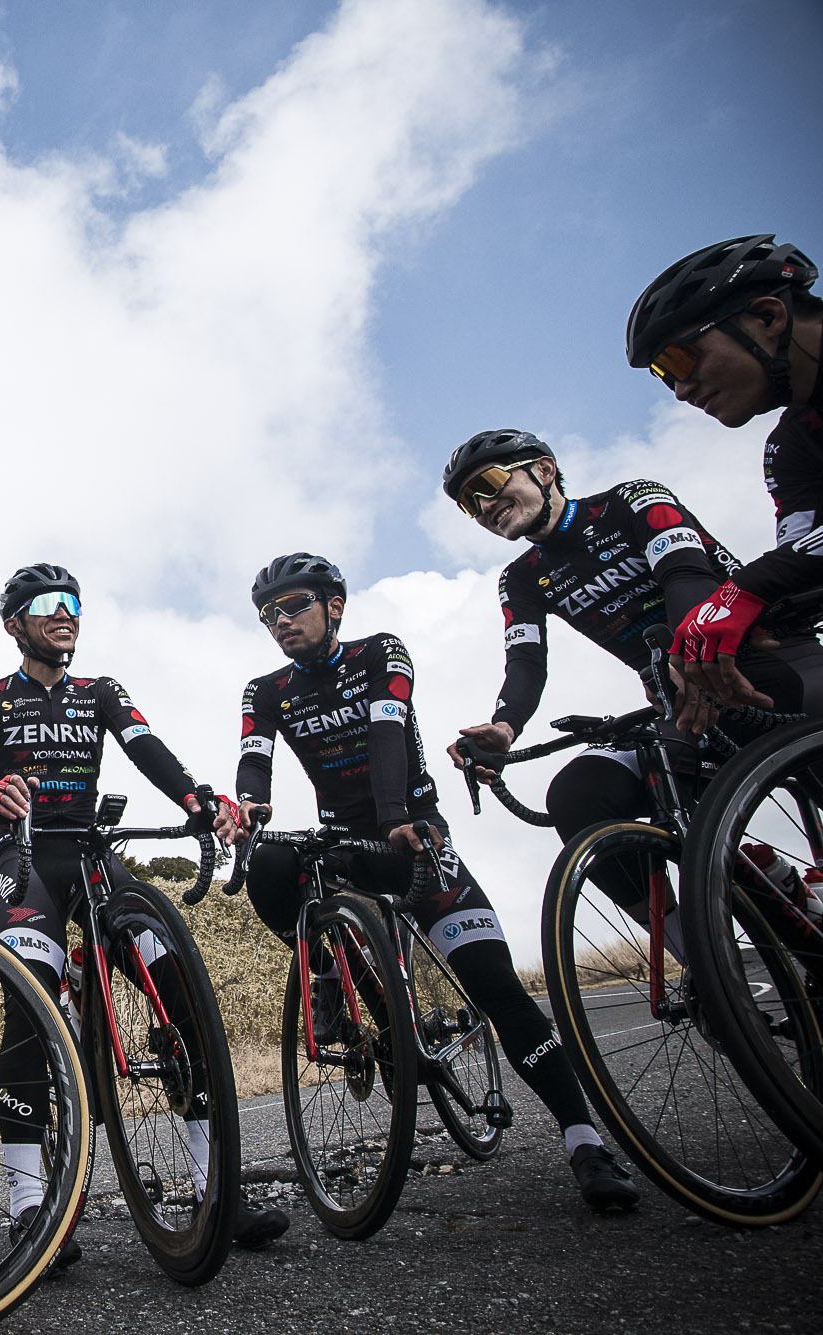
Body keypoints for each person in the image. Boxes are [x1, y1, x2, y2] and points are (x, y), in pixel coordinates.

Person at [214, 552, 640, 1212]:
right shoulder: (266, 688)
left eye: (294, 605)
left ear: (334, 606)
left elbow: (388, 731)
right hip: (343, 843)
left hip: (412, 834)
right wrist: (249, 807)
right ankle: (342, 986)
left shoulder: (381, 652)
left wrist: (396, 822)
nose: (280, 621)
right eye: (268, 614)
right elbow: (254, 755)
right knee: (271, 864)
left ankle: (586, 1142)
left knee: (498, 989)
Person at [0, 563, 289, 1264]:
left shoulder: (100, 691)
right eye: (47, 604)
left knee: (177, 991)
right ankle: (27, 1209)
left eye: (73, 602)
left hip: (97, 859)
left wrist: (198, 801)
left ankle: (211, 1189)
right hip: (29, 865)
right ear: (15, 623)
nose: (65, 613)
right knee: (28, 1010)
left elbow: (146, 747)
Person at [438, 428, 823, 912]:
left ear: (544, 470)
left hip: (774, 656)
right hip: (680, 699)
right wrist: (504, 726)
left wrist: (683, 653)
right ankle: (700, 958)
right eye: (469, 503)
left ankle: (787, 889)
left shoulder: (632, 500)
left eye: (490, 482)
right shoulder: (519, 578)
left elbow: (685, 572)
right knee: (578, 796)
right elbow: (526, 662)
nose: (483, 505)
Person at [626, 235, 823, 730]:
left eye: (680, 361)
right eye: (663, 376)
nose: (680, 391)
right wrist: (727, 626)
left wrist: (740, 594)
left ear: (768, 317)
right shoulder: (793, 444)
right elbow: (803, 555)